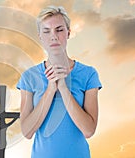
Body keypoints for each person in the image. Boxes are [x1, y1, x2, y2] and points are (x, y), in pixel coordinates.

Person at [17, 6, 102, 158]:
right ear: (40, 37)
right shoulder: (29, 77)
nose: (53, 36)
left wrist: (63, 87)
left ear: (68, 33)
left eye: (59, 30)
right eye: (46, 31)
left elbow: (89, 130)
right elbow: (27, 132)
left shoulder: (88, 74)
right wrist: (50, 89)